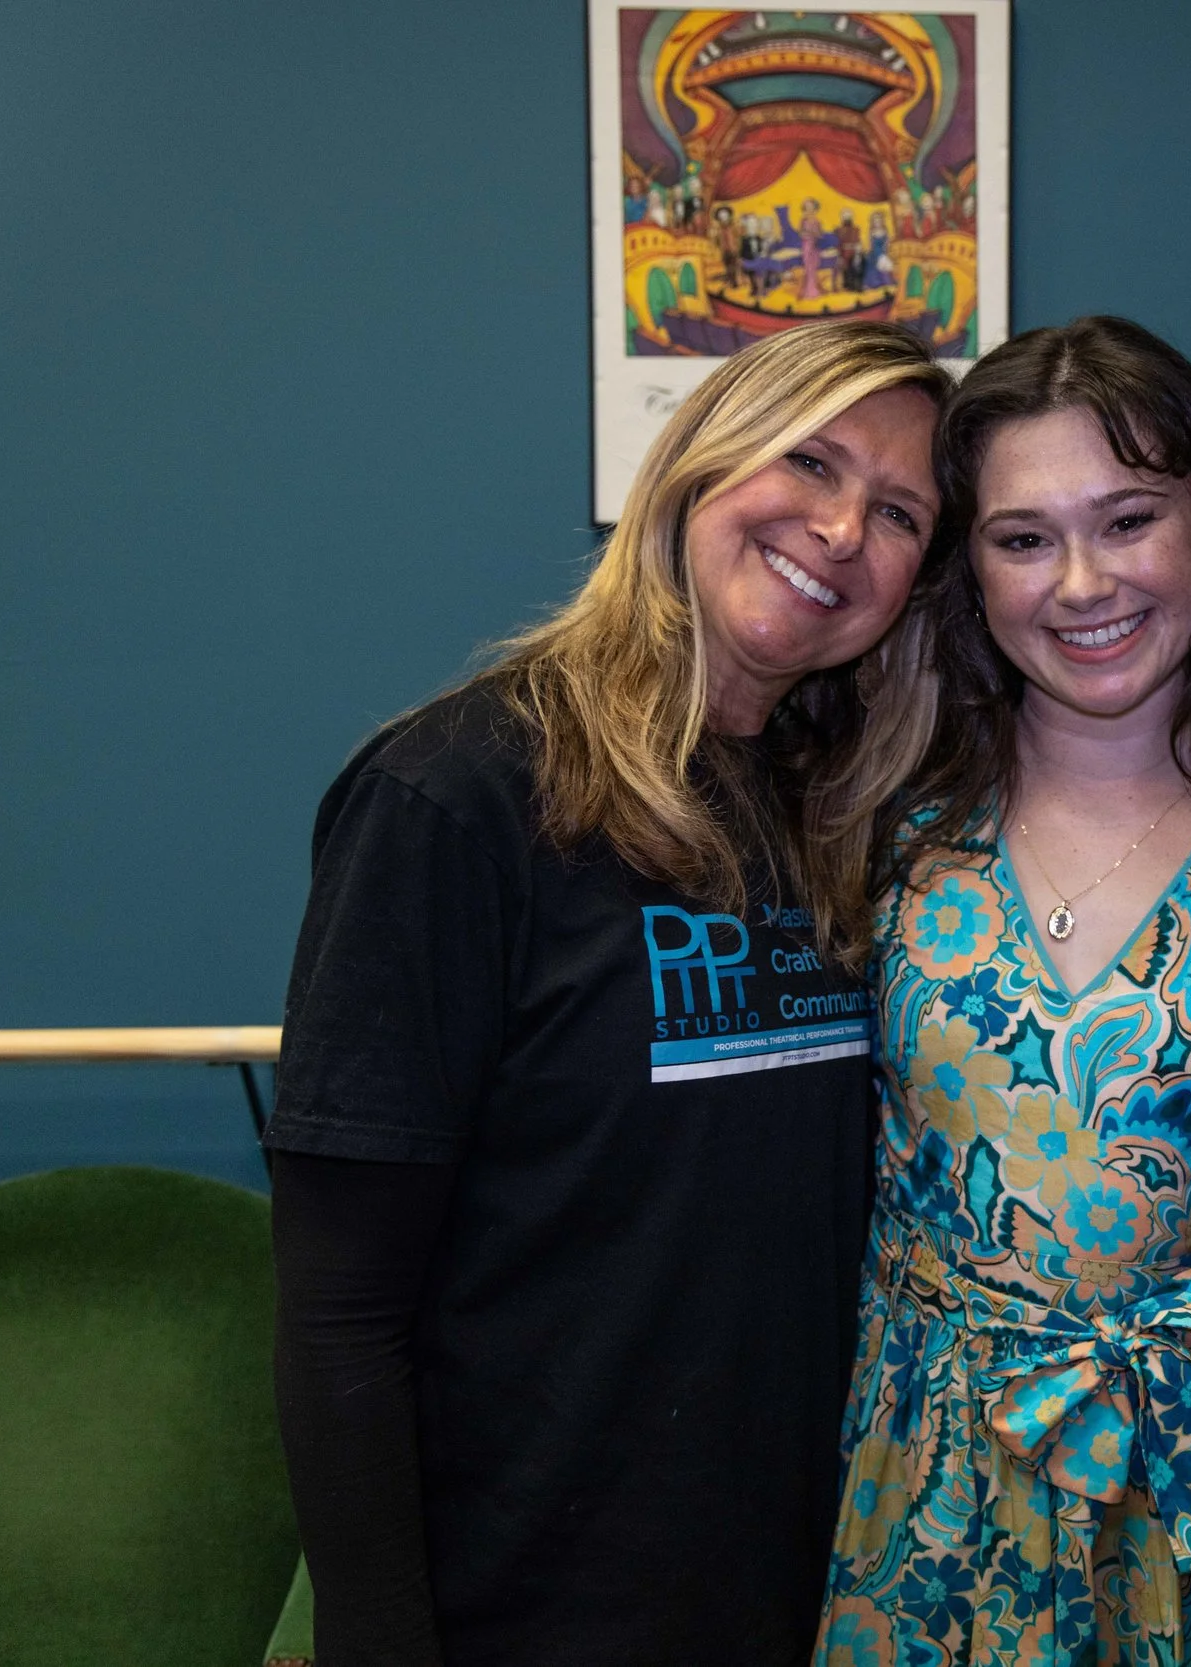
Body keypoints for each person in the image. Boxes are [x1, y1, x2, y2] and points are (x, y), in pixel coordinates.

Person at [264, 320, 949, 1667]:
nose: (839, 525)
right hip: (519, 1606)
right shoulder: (454, 797)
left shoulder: (841, 815)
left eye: (899, 511)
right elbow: (339, 1314)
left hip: (795, 1591)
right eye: (808, 458)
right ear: (699, 463)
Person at [815, 316, 1191, 1667]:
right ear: (968, 573)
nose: (1083, 581)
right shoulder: (875, 829)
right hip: (922, 1501)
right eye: (1024, 536)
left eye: (1129, 519)